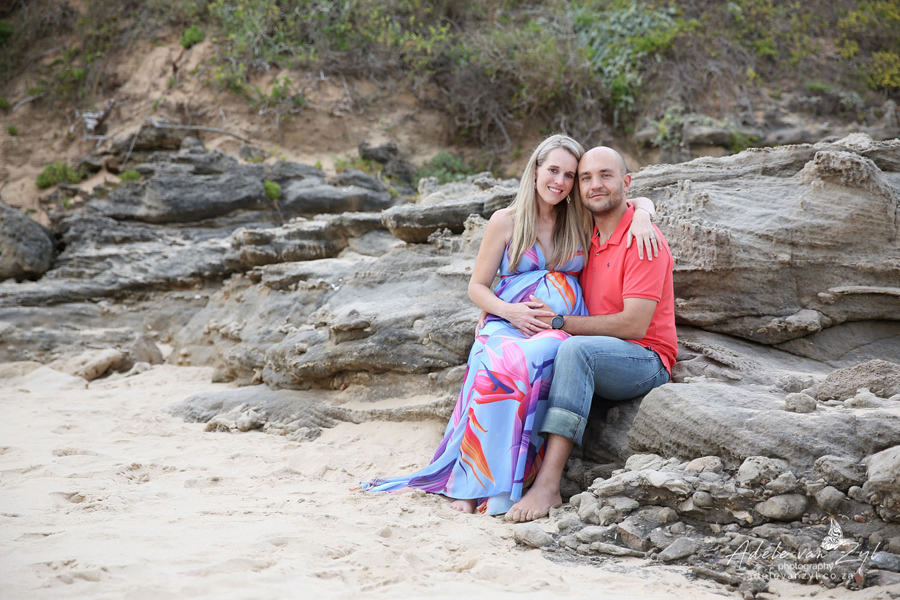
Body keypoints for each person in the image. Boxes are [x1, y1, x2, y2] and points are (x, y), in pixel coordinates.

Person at [360, 136, 657, 516]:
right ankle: (468, 485)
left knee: (532, 358)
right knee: (494, 364)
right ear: (535, 170)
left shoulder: (579, 219)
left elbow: (630, 201)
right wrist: (507, 312)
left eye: (569, 175)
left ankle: (502, 485)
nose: (560, 181)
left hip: (557, 328)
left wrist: (645, 214)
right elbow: (476, 286)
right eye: (553, 170)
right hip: (509, 320)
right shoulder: (505, 221)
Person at [504, 146, 677, 522]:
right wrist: (494, 313)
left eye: (605, 176)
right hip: (599, 350)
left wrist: (559, 322)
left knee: (574, 351)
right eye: (586, 178)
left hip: (644, 357)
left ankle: (548, 485)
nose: (595, 184)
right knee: (524, 354)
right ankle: (507, 472)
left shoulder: (642, 240)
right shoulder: (587, 237)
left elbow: (634, 325)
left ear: (626, 182)